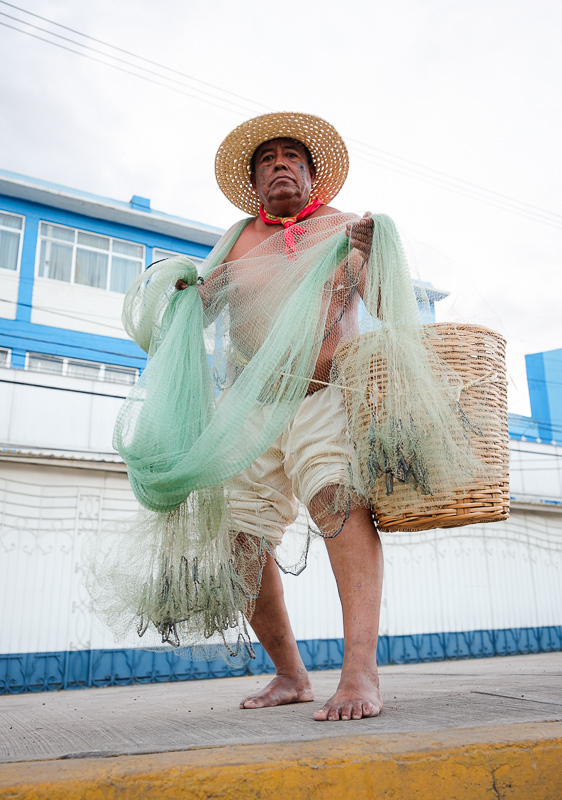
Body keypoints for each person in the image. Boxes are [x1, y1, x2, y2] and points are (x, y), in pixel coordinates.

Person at [177, 113, 382, 721]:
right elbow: (200, 310)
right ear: (256, 182)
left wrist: (373, 257)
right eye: (268, 160)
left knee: (337, 503)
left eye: (293, 156)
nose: (281, 164)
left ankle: (359, 676)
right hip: (250, 406)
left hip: (323, 395)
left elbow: (390, 304)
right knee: (240, 540)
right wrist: (185, 293)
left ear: (313, 174)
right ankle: (290, 675)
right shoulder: (237, 238)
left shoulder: (348, 229)